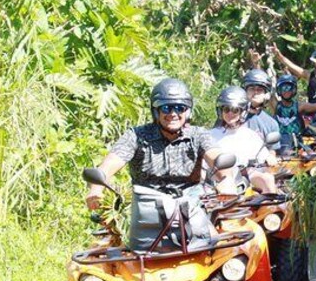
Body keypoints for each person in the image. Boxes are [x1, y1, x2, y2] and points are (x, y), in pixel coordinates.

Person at [85, 78, 234, 210]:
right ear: (156, 111)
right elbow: (111, 162)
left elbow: (216, 157)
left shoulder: (199, 135)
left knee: (214, 238)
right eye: (166, 108)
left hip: (191, 206)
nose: (173, 114)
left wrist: (226, 180)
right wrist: (96, 188)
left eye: (179, 108)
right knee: (111, 240)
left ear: (188, 111)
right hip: (146, 209)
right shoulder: (136, 136)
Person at [207, 86, 279, 194]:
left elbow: (265, 155)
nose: (230, 114)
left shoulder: (250, 135)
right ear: (221, 111)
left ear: (243, 111)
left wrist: (269, 158)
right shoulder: (210, 135)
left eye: (235, 110)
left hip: (247, 177)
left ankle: (270, 209)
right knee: (226, 185)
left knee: (268, 179)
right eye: (226, 109)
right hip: (220, 180)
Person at [241, 68, 281, 151]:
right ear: (245, 91)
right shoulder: (231, 116)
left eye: (259, 89)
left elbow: (272, 151)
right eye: (251, 88)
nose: (255, 92)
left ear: (266, 94)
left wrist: (270, 157)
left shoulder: (271, 123)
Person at [270, 73, 307, 154]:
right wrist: (256, 64)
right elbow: (265, 85)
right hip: (281, 143)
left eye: (289, 88)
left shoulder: (299, 106)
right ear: (279, 90)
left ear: (294, 90)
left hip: (297, 141)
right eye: (283, 88)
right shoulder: (276, 105)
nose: (286, 91)